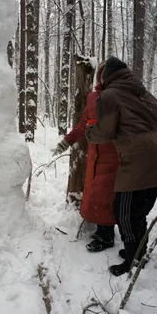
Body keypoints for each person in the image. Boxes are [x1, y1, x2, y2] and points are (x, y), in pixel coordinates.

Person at [86, 56, 157, 276]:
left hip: (137, 158)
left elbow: (104, 132)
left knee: (123, 212)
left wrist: (89, 132)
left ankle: (131, 261)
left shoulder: (109, 95)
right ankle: (139, 253)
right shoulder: (145, 94)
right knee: (139, 211)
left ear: (107, 77)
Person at [53, 62, 119, 252]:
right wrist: (66, 142)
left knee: (108, 194)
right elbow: (83, 125)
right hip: (94, 154)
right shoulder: (92, 98)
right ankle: (101, 231)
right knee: (96, 193)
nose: (104, 77)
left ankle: (106, 236)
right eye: (102, 74)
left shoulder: (120, 97)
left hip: (114, 154)